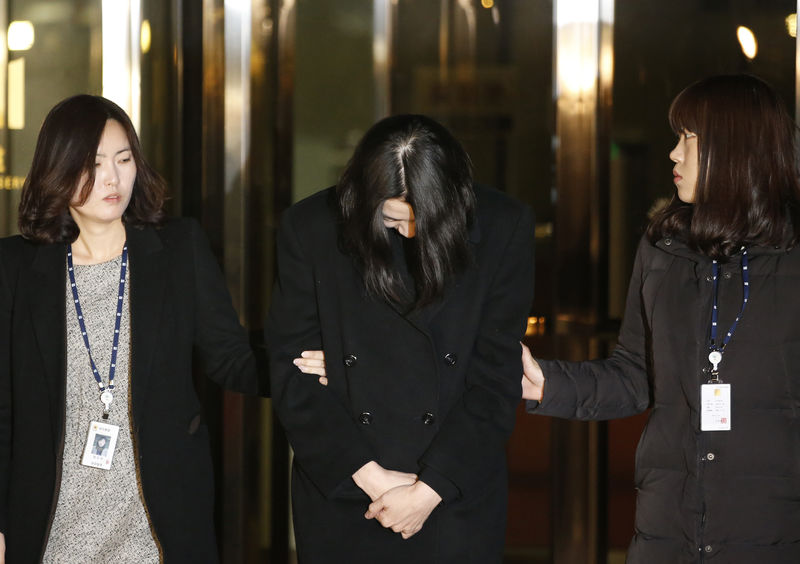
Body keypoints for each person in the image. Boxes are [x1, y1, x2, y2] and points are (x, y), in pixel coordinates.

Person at [522, 74, 800, 563]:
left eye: (689, 139)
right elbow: (635, 374)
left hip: (772, 534)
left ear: (736, 149)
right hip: (666, 532)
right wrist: (544, 383)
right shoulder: (663, 247)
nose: (674, 154)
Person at [0, 94, 274, 563]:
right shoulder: (16, 267)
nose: (112, 178)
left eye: (123, 159)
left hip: (154, 520)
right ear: (58, 170)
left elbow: (232, 358)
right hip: (52, 523)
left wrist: (302, 362)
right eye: (93, 163)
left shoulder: (177, 250)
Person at [267, 114, 535, 562]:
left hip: (453, 489)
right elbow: (291, 375)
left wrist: (428, 490)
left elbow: (494, 378)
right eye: (392, 219)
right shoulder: (312, 227)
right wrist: (372, 479)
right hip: (348, 488)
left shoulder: (504, 227)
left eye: (422, 220)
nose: (408, 232)